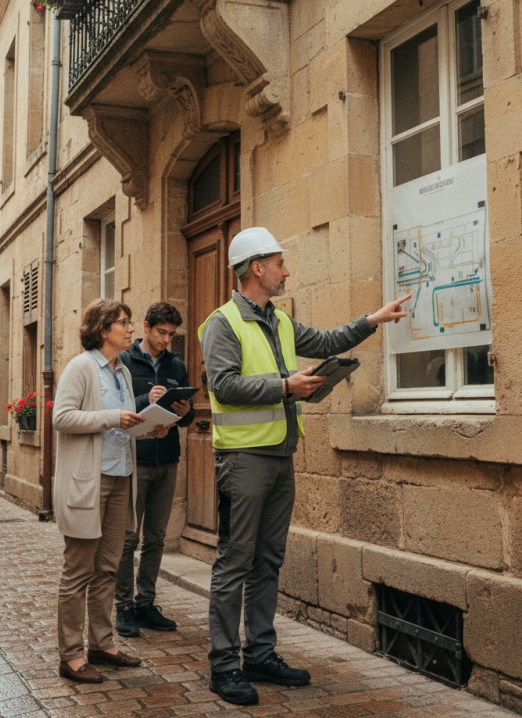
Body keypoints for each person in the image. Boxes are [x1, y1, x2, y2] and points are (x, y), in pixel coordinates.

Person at [198, 227, 411, 706]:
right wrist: (285, 386)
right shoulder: (222, 323)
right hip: (243, 461)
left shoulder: (279, 320)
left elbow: (327, 339)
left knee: (268, 561)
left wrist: (373, 320)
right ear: (257, 268)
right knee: (234, 562)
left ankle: (259, 654)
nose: (286, 271)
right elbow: (223, 386)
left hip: (280, 455)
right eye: (279, 263)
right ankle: (224, 666)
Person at [52, 298, 148, 685]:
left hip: (121, 476)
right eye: (124, 322)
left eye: (129, 321)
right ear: (103, 329)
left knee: (108, 567)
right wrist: (112, 417)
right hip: (88, 482)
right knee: (78, 570)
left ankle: (102, 644)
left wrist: (147, 426)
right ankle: (71, 655)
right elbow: (62, 417)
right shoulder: (81, 367)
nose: (131, 328)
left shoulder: (122, 372)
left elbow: (120, 425)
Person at [115, 302, 195, 637]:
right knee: (128, 538)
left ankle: (146, 603)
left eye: (171, 335)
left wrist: (185, 411)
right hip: (136, 459)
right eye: (161, 332)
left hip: (167, 459)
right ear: (146, 327)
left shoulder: (176, 365)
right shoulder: (123, 361)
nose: (166, 340)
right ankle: (123, 607)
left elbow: (188, 418)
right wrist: (145, 399)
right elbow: (114, 410)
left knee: (156, 538)